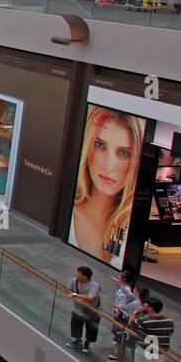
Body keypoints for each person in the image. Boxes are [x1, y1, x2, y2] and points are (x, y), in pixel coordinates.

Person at [69, 106, 144, 265]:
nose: (108, 166)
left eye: (124, 153)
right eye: (100, 145)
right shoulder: (70, 212)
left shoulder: (130, 227)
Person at [129, 295, 173, 362]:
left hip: (146, 349)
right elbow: (170, 334)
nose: (143, 306)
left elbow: (130, 323)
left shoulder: (144, 320)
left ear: (151, 308)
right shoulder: (169, 321)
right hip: (161, 349)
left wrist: (136, 312)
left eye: (145, 305)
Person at [67, 266, 102, 353]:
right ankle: (77, 340)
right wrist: (71, 293)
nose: (76, 274)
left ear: (85, 276)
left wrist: (75, 295)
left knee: (91, 327)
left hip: (92, 309)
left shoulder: (95, 285)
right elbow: (68, 289)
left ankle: (87, 343)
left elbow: (90, 297)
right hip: (78, 307)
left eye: (78, 273)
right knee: (76, 323)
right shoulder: (74, 280)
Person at [109, 272, 141, 362]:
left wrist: (118, 312)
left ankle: (121, 359)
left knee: (121, 339)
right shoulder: (134, 298)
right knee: (125, 341)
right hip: (126, 319)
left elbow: (125, 309)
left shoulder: (136, 302)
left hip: (124, 320)